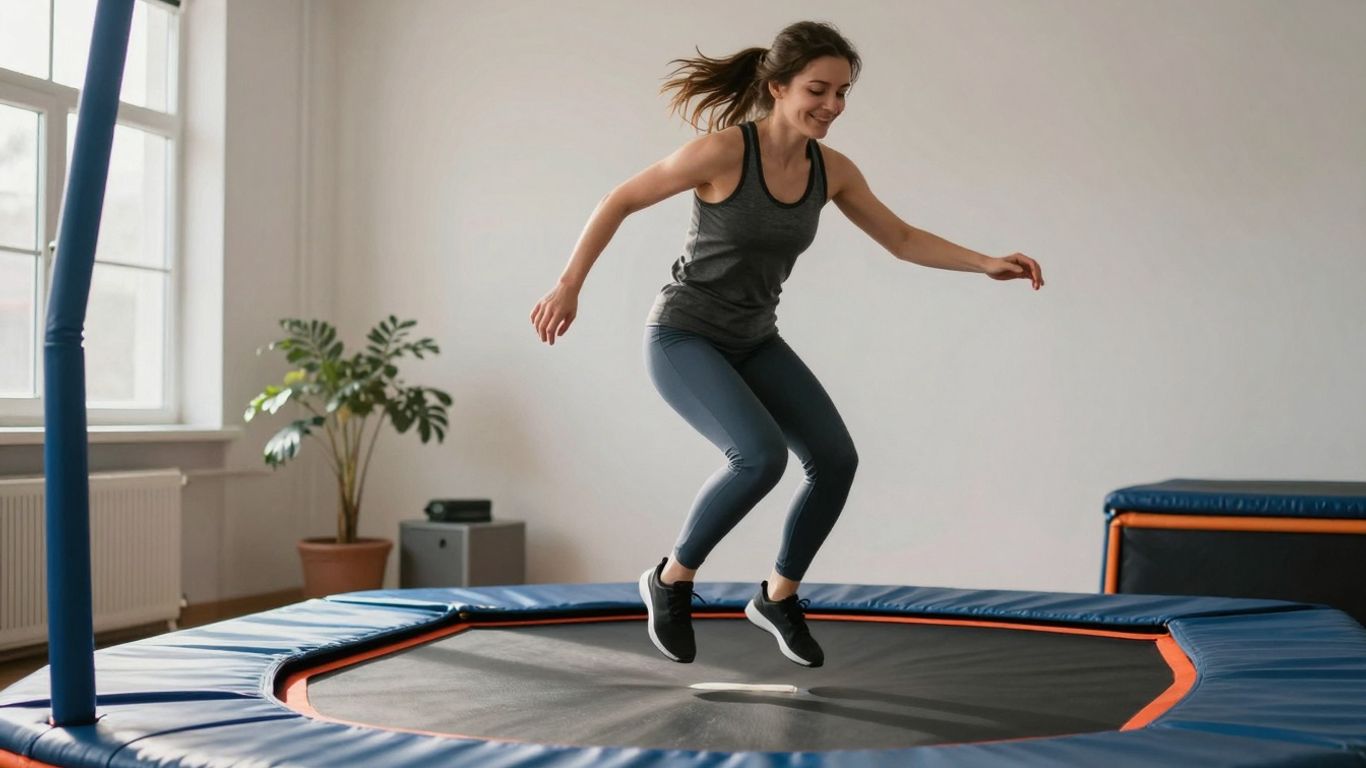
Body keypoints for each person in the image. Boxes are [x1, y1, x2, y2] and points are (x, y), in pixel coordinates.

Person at [530, 21, 1044, 667]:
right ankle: (670, 581)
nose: (831, 106)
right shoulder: (722, 152)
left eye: (843, 93)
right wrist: (568, 285)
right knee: (760, 457)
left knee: (835, 459)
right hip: (685, 335)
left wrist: (985, 262)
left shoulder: (832, 170)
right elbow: (619, 199)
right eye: (818, 90)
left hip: (755, 338)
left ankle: (777, 597)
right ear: (777, 87)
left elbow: (903, 238)